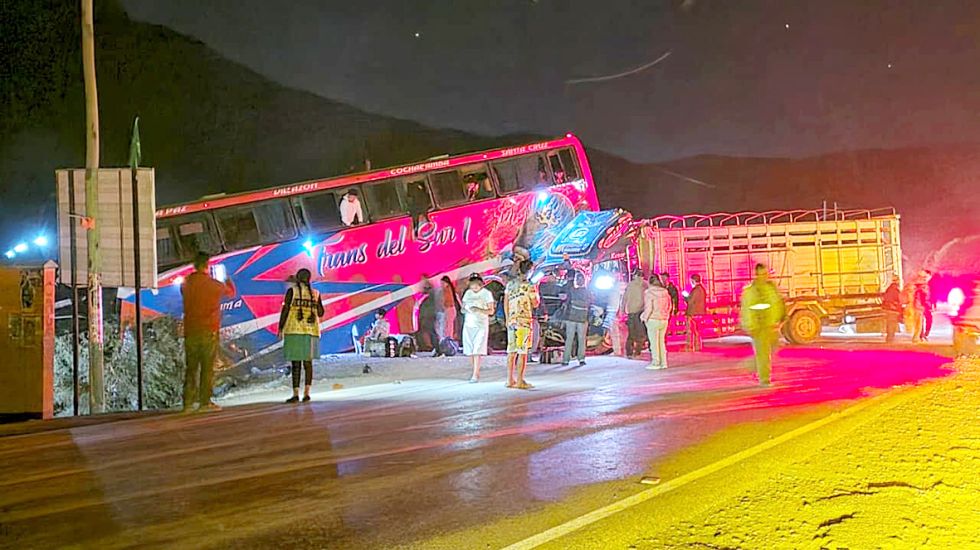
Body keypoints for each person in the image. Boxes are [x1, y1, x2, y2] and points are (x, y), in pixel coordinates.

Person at [181, 253, 236, 412]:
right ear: (207, 265)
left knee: (191, 367)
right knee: (207, 367)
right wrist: (226, 278)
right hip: (209, 331)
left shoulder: (186, 284)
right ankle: (205, 403)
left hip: (190, 331)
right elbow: (231, 293)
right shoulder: (214, 285)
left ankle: (187, 403)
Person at [278, 268, 325, 403]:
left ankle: (295, 394)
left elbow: (285, 310)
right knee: (308, 363)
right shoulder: (316, 293)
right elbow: (321, 313)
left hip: (294, 330)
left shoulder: (291, 292)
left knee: (296, 364)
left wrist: (280, 327)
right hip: (311, 332)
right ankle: (307, 393)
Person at [740, 263, 786, 386]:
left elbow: (777, 304)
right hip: (759, 327)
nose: (763, 277)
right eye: (761, 274)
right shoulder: (750, 291)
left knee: (772, 349)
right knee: (763, 354)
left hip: (771, 326)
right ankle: (764, 379)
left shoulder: (771, 288)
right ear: (756, 275)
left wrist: (780, 319)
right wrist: (750, 326)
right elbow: (746, 310)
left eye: (765, 274)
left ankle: (754, 365)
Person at [505, 260, 540, 389]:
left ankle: (509, 380)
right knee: (522, 351)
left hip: (512, 321)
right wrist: (536, 291)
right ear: (530, 270)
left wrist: (508, 318)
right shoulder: (529, 286)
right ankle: (520, 380)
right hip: (524, 321)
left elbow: (506, 302)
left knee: (511, 351)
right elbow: (535, 303)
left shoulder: (510, 284)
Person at [461, 274, 495, 382]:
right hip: (468, 324)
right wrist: (466, 310)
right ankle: (474, 370)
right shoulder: (468, 293)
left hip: (480, 325)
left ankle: (476, 374)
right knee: (469, 350)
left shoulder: (486, 294)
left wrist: (479, 310)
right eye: (472, 286)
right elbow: (462, 308)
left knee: (477, 349)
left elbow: (491, 311)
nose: (474, 288)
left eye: (476, 286)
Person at [641, 275, 673, 370]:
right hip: (664, 319)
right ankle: (664, 362)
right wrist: (666, 315)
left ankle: (656, 362)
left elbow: (649, 308)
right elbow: (670, 306)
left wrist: (644, 317)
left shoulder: (649, 293)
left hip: (653, 319)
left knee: (654, 342)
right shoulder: (665, 292)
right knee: (661, 342)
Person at [561, 270, 591, 367]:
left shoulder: (572, 291)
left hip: (571, 317)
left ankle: (566, 360)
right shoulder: (587, 292)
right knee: (581, 339)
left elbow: (567, 303)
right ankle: (581, 358)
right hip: (582, 318)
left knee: (569, 339)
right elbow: (590, 304)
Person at [621, 271, 648, 358]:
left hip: (631, 311)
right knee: (640, 333)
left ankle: (629, 352)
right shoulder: (646, 285)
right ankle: (637, 352)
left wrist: (622, 310)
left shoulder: (630, 285)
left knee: (631, 333)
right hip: (641, 311)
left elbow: (624, 299)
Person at [685, 273, 707, 351]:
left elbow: (690, 301)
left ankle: (693, 346)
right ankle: (698, 346)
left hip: (693, 313)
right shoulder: (702, 289)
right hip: (700, 312)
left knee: (692, 330)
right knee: (698, 330)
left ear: (693, 281)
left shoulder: (695, 290)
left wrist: (686, 297)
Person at [436, 275, 461, 344]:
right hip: (450, 309)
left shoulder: (447, 290)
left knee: (449, 325)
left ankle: (449, 339)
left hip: (449, 309)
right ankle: (448, 338)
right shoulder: (448, 289)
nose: (441, 284)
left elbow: (446, 301)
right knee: (448, 325)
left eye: (443, 283)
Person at [881, 275, 902, 343]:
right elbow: (889, 299)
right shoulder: (893, 289)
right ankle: (890, 339)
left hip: (891, 309)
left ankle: (890, 338)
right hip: (892, 309)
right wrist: (894, 305)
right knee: (891, 324)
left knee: (891, 324)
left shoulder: (890, 288)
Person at [920, 270, 934, 341]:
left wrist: (933, 304)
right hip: (921, 305)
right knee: (920, 320)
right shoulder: (920, 285)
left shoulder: (931, 285)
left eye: (927, 276)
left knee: (929, 319)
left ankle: (926, 333)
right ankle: (921, 335)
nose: (925, 278)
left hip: (927, 305)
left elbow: (933, 296)